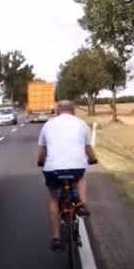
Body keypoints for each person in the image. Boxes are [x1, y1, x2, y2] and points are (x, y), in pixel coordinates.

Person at [36, 100, 97, 251]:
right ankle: (82, 204)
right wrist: (94, 159)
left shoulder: (48, 125)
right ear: (73, 111)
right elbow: (87, 148)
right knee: (81, 178)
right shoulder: (81, 123)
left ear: (57, 111)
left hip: (53, 169)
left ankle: (56, 238)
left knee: (53, 198)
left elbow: (43, 150)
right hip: (76, 167)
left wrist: (40, 161)